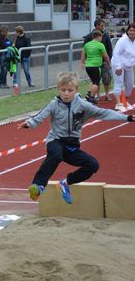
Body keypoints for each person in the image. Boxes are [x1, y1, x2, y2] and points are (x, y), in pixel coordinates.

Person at [18, 72, 134, 205]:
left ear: (76, 90)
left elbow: (104, 113)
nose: (66, 93)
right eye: (63, 90)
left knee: (92, 165)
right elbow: (40, 116)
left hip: (72, 146)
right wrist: (29, 123)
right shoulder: (54, 104)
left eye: (69, 90)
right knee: (56, 155)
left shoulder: (83, 106)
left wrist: (127, 118)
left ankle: (65, 183)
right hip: (55, 140)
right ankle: (38, 186)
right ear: (58, 90)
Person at [83, 19, 113, 101]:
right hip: (94, 64)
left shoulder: (106, 35)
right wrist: (86, 60)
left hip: (104, 62)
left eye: (104, 25)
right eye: (102, 26)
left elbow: (109, 49)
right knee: (96, 80)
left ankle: (107, 95)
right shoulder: (89, 36)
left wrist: (108, 60)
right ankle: (97, 95)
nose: (103, 27)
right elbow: (84, 49)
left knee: (106, 79)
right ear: (96, 26)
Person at [111, 22, 135, 110]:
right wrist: (118, 66)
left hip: (129, 66)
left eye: (134, 30)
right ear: (127, 31)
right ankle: (118, 104)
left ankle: (125, 101)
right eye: (130, 30)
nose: (132, 32)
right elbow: (116, 53)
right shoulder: (123, 40)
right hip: (119, 64)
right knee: (119, 82)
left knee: (130, 83)